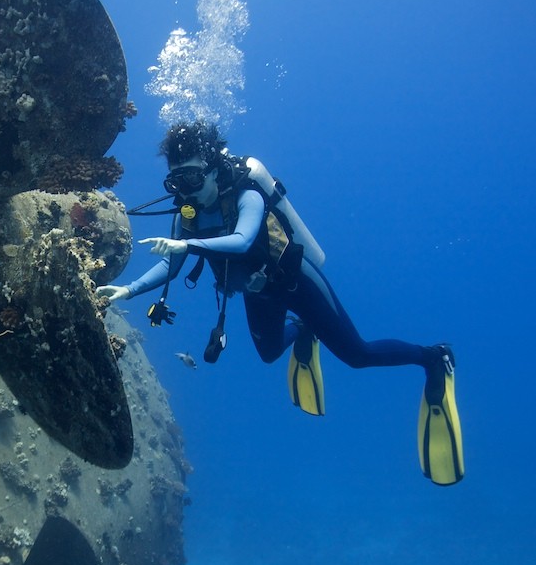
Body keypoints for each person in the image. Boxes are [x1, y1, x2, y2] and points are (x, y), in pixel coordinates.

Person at [96, 121, 464, 485]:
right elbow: (171, 265)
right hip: (258, 293)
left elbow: (242, 240)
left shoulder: (247, 195)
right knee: (269, 353)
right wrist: (129, 289)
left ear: (213, 170)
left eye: (192, 178)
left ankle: (434, 357)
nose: (186, 190)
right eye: (176, 182)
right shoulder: (187, 214)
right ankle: (303, 330)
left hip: (298, 284)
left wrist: (186, 244)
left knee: (358, 355)